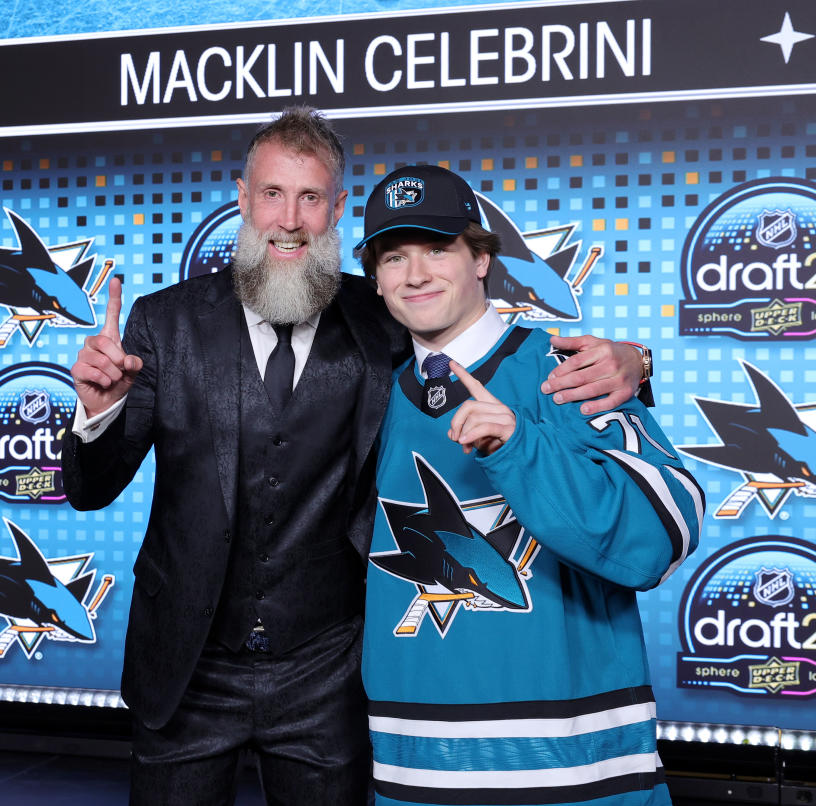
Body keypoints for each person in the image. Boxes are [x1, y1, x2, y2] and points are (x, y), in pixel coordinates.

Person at [62, 107, 649, 806]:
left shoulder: (385, 312)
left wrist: (636, 360)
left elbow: (478, 327)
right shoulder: (164, 322)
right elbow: (91, 489)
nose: (289, 218)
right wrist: (98, 412)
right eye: (272, 194)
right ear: (243, 199)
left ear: (336, 209)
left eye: (311, 198)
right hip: (187, 667)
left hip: (327, 672)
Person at [356, 164, 704, 806]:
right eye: (394, 256)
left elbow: (661, 535)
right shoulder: (366, 391)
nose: (416, 274)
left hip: (571, 770)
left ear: (481, 259)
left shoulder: (570, 370)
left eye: (440, 248)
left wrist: (522, 449)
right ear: (374, 281)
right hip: (414, 773)